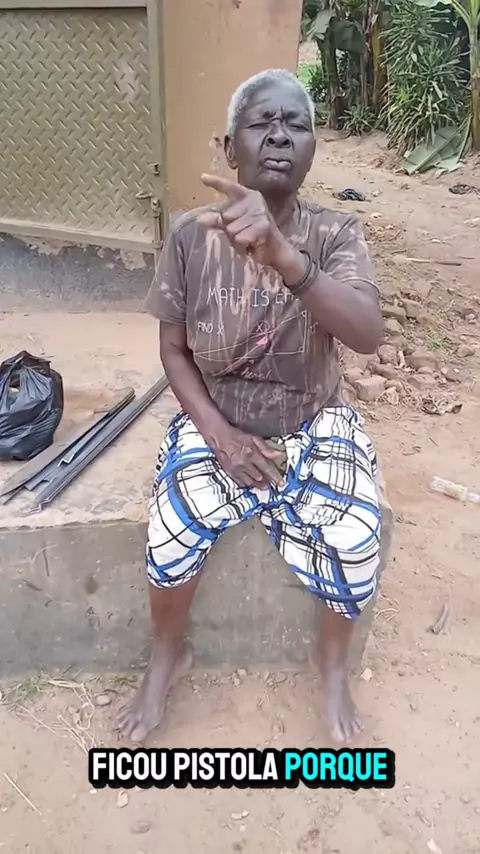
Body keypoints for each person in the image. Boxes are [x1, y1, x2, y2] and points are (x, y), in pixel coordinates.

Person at [118, 68, 383, 745]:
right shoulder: (190, 236)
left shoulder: (335, 234)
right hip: (219, 417)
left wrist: (287, 258)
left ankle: (329, 661)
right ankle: (168, 653)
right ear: (228, 146)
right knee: (170, 531)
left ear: (313, 148)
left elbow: (367, 334)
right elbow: (173, 351)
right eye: (262, 122)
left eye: (296, 125)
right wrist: (219, 435)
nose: (279, 136)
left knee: (358, 538)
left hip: (312, 416)